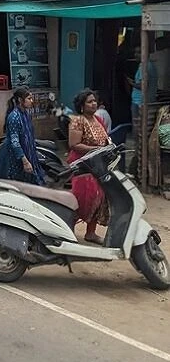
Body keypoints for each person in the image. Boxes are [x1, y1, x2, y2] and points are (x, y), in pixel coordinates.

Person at [67, 88, 110, 245]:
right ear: (82, 106)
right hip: (83, 167)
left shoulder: (98, 120)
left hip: (98, 166)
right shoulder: (77, 121)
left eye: (94, 101)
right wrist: (96, 149)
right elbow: (74, 144)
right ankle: (67, 231)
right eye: (89, 102)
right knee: (82, 199)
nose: (94, 104)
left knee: (98, 198)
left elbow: (105, 139)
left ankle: (90, 233)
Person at [0, 87, 46, 185]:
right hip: (14, 157)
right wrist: (25, 161)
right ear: (20, 100)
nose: (32, 101)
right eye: (29, 98)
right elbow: (15, 142)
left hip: (26, 153)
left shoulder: (25, 114)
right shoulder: (14, 117)